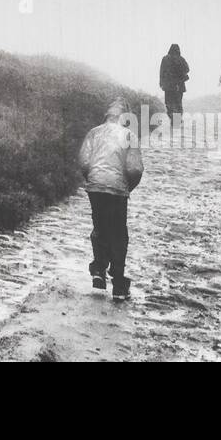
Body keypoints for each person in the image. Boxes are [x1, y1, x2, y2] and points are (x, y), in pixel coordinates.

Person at [78, 100, 144, 301]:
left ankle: (98, 271)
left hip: (96, 186)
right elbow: (134, 169)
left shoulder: (94, 132)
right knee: (118, 233)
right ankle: (118, 284)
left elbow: (84, 161)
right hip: (117, 189)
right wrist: (127, 187)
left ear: (107, 115)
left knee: (99, 227)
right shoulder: (129, 136)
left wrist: (92, 179)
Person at [159, 42, 189, 132]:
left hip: (168, 86)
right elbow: (187, 69)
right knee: (178, 103)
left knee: (169, 103)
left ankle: (173, 119)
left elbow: (161, 72)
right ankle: (177, 119)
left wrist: (161, 82)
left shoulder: (165, 59)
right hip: (179, 86)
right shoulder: (181, 59)